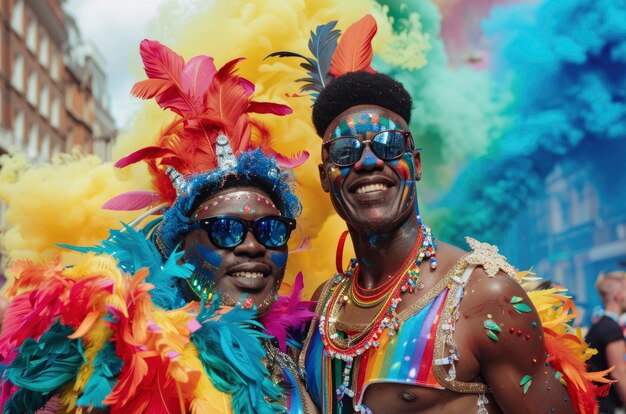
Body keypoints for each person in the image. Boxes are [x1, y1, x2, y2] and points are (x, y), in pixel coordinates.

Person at [271, 14, 606, 414]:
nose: (368, 163)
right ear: (327, 178)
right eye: (345, 152)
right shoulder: (324, 305)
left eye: (389, 145)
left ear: (415, 163)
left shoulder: (483, 296)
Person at [0, 40, 316, 413]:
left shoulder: (301, 349)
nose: (252, 246)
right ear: (177, 247)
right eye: (225, 229)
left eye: (271, 230)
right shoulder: (122, 355)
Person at [586, 271, 626, 413]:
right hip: (610, 408)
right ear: (618, 295)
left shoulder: (599, 326)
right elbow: (619, 374)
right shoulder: (611, 328)